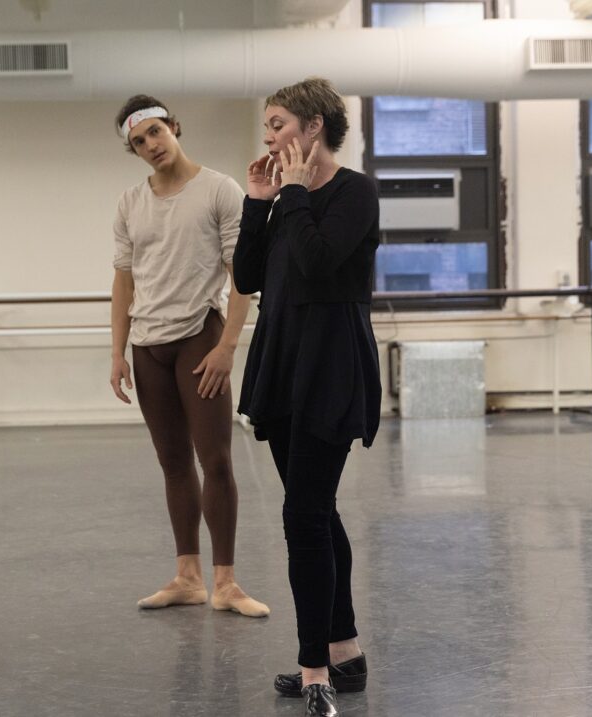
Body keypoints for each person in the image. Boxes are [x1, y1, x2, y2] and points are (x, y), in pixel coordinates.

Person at [233, 78, 381, 716]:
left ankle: (314, 666)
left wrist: (291, 194)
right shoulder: (281, 200)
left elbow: (322, 265)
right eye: (266, 128)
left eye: (278, 124)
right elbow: (245, 276)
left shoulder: (356, 192)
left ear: (313, 126)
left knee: (302, 517)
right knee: (316, 511)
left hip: (331, 365)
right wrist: (257, 202)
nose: (270, 138)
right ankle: (345, 652)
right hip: (283, 360)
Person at [110, 95, 268, 619]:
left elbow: (241, 273)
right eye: (139, 142)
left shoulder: (219, 189)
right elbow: (123, 281)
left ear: (174, 127)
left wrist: (228, 347)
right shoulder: (130, 203)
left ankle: (225, 582)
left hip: (200, 338)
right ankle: (187, 577)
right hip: (148, 345)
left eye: (155, 132)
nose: (151, 145)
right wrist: (117, 353)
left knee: (216, 460)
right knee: (173, 465)